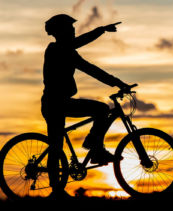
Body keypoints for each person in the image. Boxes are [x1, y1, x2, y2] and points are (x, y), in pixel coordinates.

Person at [41, 14, 129, 198]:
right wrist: (101, 30)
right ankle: (58, 188)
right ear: (61, 32)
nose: (73, 30)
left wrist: (117, 82)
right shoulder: (56, 49)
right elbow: (80, 44)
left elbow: (92, 70)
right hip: (55, 104)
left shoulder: (68, 51)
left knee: (59, 142)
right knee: (57, 145)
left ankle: (94, 147)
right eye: (70, 28)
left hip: (60, 102)